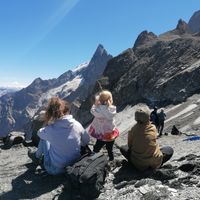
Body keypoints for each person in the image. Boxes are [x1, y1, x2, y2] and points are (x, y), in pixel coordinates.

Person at [28, 97, 90, 175]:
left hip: (56, 170)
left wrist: (48, 121)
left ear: (51, 114)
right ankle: (38, 156)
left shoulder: (51, 129)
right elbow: (87, 140)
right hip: (74, 166)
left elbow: (39, 133)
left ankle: (37, 157)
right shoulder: (76, 124)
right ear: (67, 110)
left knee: (44, 139)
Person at [120, 104, 173, 171]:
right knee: (169, 149)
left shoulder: (132, 130)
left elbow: (130, 146)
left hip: (138, 164)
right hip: (154, 162)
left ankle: (135, 164)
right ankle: (155, 165)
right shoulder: (153, 128)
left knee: (122, 148)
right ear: (148, 117)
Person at [88, 90, 119, 161]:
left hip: (101, 133)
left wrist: (95, 104)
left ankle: (94, 156)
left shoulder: (97, 110)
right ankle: (111, 158)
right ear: (110, 100)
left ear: (100, 100)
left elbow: (92, 110)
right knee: (110, 148)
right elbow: (108, 109)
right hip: (110, 133)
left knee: (97, 146)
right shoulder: (112, 109)